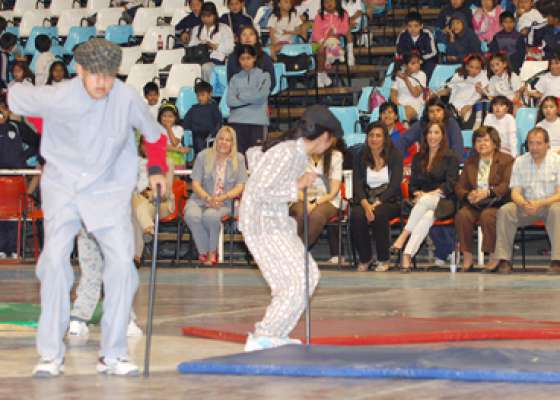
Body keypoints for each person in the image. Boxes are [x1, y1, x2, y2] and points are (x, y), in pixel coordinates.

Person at [8, 38, 168, 377]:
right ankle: (50, 354)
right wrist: (42, 123)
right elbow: (16, 96)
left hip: (109, 188)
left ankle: (113, 354)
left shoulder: (124, 97)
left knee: (123, 267)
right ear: (79, 70)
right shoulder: (58, 94)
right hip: (64, 185)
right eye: (95, 75)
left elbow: (155, 137)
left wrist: (156, 170)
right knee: (53, 263)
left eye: (110, 75)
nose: (103, 83)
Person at [239, 105, 342, 351]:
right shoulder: (287, 152)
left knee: (309, 276)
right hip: (261, 225)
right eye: (331, 141)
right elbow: (259, 189)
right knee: (295, 283)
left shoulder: (294, 153)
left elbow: (256, 157)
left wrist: (297, 182)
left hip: (276, 222)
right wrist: (296, 187)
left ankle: (275, 334)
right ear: (324, 137)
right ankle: (263, 336)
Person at [391, 121, 460, 272]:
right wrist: (417, 193)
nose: (432, 136)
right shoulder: (418, 157)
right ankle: (407, 255)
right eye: (429, 133)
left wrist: (426, 195)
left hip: (445, 201)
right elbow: (413, 185)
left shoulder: (451, 156)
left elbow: (450, 185)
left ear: (442, 136)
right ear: (425, 136)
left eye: (436, 132)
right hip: (423, 204)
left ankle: (403, 236)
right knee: (427, 217)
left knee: (425, 201)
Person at [492, 127, 560, 273]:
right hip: (526, 205)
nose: (534, 147)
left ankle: (557, 260)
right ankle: (505, 260)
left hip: (549, 204)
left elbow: (559, 194)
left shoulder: (557, 161)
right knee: (505, 211)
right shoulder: (520, 161)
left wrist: (540, 203)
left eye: (538, 143)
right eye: (531, 143)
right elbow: (515, 192)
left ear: (547, 144)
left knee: (557, 210)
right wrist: (523, 203)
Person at [184, 126, 247, 266]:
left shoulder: (239, 159)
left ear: (233, 143)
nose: (224, 143)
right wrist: (208, 198)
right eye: (221, 139)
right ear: (216, 140)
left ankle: (212, 252)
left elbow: (240, 186)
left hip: (226, 202)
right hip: (200, 198)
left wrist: (222, 197)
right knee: (191, 215)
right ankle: (204, 251)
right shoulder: (203, 156)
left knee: (210, 216)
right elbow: (195, 183)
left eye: (228, 140)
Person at [454, 126, 514, 271]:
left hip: (496, 202)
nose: (482, 144)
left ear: (495, 143)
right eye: (478, 141)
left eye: (486, 140)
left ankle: (493, 257)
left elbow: (507, 185)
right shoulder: (470, 161)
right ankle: (467, 257)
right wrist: (468, 195)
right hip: (475, 203)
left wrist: (487, 193)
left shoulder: (506, 160)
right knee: (462, 215)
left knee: (488, 216)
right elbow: (459, 186)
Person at [67, 230, 144, 338]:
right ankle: (125, 323)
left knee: (90, 276)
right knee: (117, 276)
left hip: (88, 226)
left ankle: (77, 322)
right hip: (111, 227)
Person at [350, 122, 403, 272]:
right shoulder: (360, 155)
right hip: (366, 198)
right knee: (357, 215)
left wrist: (376, 204)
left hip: (389, 199)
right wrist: (366, 205)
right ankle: (366, 258)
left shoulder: (395, 155)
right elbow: (357, 184)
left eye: (378, 135)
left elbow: (394, 185)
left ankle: (383, 258)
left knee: (379, 213)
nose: (374, 139)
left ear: (385, 138)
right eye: (371, 135)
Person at [289, 136, 344, 263]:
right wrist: (307, 201)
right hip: (302, 197)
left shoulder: (336, 156)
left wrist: (315, 202)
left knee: (316, 216)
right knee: (299, 214)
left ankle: (295, 254)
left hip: (328, 199)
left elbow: (333, 191)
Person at [227, 44, 271, 155]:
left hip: (258, 122)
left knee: (256, 158)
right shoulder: (234, 79)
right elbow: (230, 101)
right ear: (238, 60)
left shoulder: (265, 76)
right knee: (239, 158)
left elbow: (261, 96)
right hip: (236, 122)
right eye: (242, 59)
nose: (245, 62)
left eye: (248, 58)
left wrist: (240, 95)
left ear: (254, 58)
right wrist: (253, 97)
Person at [395, 96, 464, 163]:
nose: (435, 114)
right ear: (427, 114)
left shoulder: (451, 123)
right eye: (431, 111)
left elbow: (458, 150)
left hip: (448, 165)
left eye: (438, 110)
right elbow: (402, 142)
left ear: (444, 112)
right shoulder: (421, 124)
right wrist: (399, 163)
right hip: (425, 165)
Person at [188, 2, 235, 82]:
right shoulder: (196, 29)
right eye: (203, 16)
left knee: (206, 67)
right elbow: (191, 46)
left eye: (209, 16)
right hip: (198, 59)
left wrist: (215, 46)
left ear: (215, 15)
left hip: (217, 62)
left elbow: (230, 48)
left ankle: (208, 92)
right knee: (189, 68)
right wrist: (202, 44)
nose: (206, 19)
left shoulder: (224, 28)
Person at [438, 53, 488, 125]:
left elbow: (486, 94)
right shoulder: (459, 74)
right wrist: (436, 94)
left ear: (481, 68)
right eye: (471, 67)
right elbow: (448, 90)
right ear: (466, 66)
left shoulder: (482, 76)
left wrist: (469, 105)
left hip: (470, 106)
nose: (474, 70)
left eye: (477, 68)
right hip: (453, 105)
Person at [311, 0, 352, 88]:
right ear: (322, 4)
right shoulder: (319, 16)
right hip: (317, 42)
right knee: (321, 50)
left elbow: (345, 29)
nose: (329, 4)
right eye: (326, 2)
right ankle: (322, 76)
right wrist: (323, 41)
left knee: (325, 49)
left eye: (331, 1)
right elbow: (315, 34)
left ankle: (321, 76)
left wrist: (335, 31)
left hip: (334, 43)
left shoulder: (343, 14)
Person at [227, 25, 276, 91]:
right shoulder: (233, 57)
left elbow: (271, 81)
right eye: (244, 35)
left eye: (251, 34)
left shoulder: (264, 56)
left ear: (256, 39)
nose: (247, 38)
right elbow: (231, 80)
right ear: (239, 39)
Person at [182, 79, 223, 155]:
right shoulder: (193, 109)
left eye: (203, 95)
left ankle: (201, 161)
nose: (200, 98)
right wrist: (188, 135)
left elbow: (218, 124)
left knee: (200, 142)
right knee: (185, 140)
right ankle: (191, 161)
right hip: (194, 136)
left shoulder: (214, 108)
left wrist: (212, 134)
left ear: (210, 94)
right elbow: (186, 123)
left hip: (208, 136)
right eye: (198, 95)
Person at [395, 11, 438, 82]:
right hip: (407, 62)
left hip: (424, 61)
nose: (413, 29)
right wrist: (408, 62)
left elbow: (433, 52)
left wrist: (419, 60)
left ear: (421, 26)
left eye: (416, 26)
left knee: (430, 65)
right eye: (410, 26)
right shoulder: (402, 35)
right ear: (406, 27)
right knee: (398, 68)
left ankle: (424, 86)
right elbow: (398, 53)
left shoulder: (427, 34)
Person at [390, 52, 427, 122]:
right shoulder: (399, 74)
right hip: (398, 104)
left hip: (414, 104)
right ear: (405, 66)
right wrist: (398, 106)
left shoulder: (421, 75)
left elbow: (416, 94)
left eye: (418, 62)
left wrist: (405, 79)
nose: (417, 65)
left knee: (402, 114)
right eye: (413, 63)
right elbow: (393, 94)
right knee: (386, 113)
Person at [158, 102, 189, 167]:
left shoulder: (178, 128)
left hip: (177, 156)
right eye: (164, 116)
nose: (167, 119)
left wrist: (168, 128)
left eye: (170, 116)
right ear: (160, 117)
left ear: (175, 118)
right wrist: (176, 149)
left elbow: (174, 143)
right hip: (163, 155)